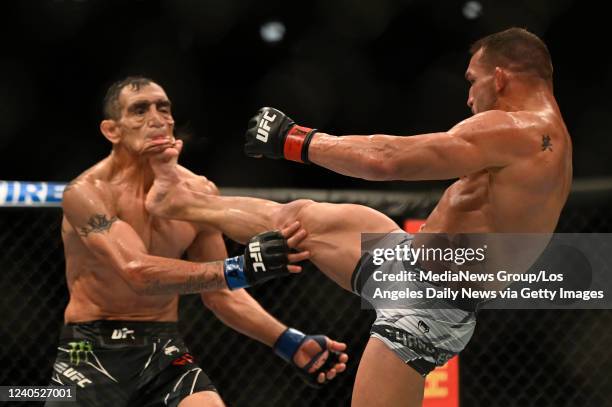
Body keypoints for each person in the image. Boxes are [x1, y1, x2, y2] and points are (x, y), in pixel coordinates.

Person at [146, 28, 572, 407]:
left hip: (429, 306)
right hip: (408, 261)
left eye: (472, 81)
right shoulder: (549, 137)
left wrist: (296, 141)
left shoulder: (520, 131)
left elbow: (388, 160)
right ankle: (180, 203)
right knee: (298, 219)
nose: (468, 96)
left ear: (499, 78)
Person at [46, 77, 348, 407]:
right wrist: (240, 268)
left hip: (162, 348)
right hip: (89, 349)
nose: (157, 118)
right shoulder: (86, 193)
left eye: (164, 108)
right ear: (111, 130)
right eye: (139, 110)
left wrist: (289, 341)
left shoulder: (198, 193)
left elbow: (220, 294)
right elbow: (136, 270)